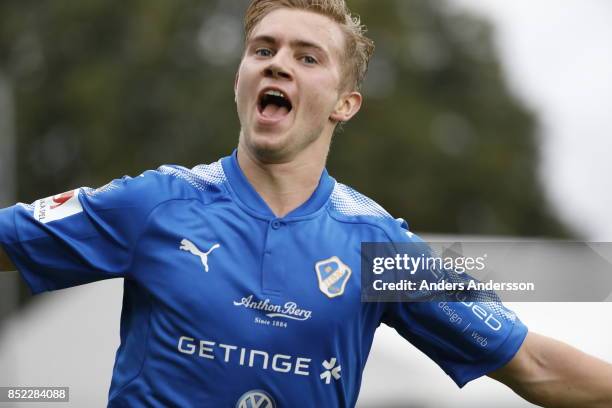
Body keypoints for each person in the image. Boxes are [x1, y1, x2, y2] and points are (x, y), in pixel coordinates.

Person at [1, 0, 611, 406]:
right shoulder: (155, 204)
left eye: (307, 56)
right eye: (263, 50)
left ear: (345, 104)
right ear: (241, 79)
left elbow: (533, 363)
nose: (279, 65)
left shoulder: (379, 250)